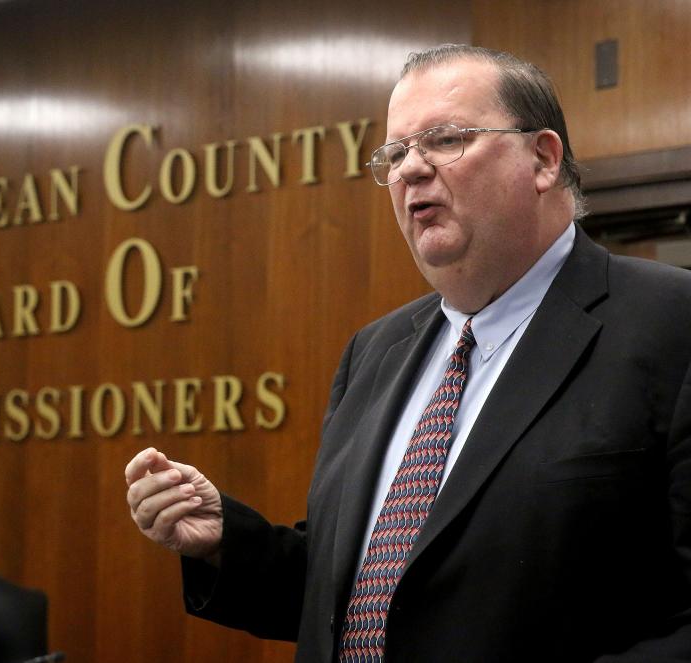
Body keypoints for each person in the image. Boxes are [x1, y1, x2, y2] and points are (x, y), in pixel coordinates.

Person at [125, 44, 691, 662]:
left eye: (447, 139)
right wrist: (227, 543)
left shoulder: (670, 323)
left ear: (543, 158)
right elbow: (364, 594)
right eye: (395, 153)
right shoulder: (374, 352)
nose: (411, 170)